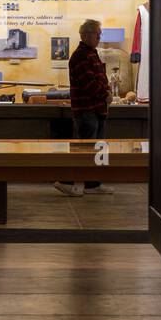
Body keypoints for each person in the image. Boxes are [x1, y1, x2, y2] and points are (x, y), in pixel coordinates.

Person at [55, 18, 113, 197]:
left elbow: (100, 78)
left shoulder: (91, 53)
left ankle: (92, 184)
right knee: (83, 150)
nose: (99, 37)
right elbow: (89, 83)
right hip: (87, 110)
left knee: (98, 151)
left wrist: (107, 91)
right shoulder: (80, 56)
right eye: (97, 34)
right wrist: (106, 94)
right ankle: (66, 182)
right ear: (87, 35)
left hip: (97, 109)